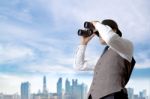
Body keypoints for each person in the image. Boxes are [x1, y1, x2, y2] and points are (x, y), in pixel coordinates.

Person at [74, 19, 136, 99]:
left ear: (114, 30)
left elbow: (110, 38)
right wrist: (83, 43)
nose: (99, 35)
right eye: (98, 33)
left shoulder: (127, 46)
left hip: (114, 96)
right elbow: (79, 65)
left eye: (100, 32)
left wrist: (96, 24)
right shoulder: (102, 57)